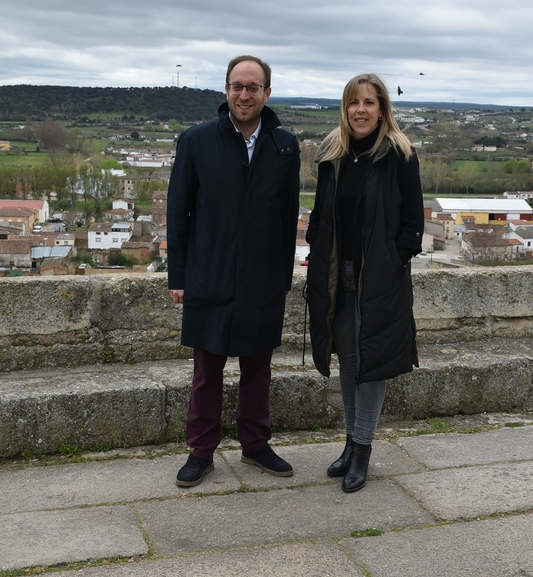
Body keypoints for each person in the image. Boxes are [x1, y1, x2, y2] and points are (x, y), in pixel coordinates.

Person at [167, 55, 301, 487]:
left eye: (253, 87)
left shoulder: (284, 145)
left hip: (262, 278)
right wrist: (179, 276)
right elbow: (178, 213)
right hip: (210, 274)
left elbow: (287, 216)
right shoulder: (196, 141)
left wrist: (282, 277)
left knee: (258, 371)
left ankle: (255, 445)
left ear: (267, 92)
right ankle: (201, 451)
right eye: (237, 86)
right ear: (226, 90)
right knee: (207, 372)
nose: (245, 94)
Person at [305, 73, 424, 493]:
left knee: (371, 363)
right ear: (345, 108)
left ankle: (362, 448)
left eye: (369, 102)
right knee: (350, 362)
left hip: (379, 277)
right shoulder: (332, 155)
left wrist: (393, 261)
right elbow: (320, 216)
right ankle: (351, 443)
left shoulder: (400, 156)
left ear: (382, 109)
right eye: (354, 102)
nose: (361, 110)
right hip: (340, 275)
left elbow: (414, 225)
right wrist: (315, 245)